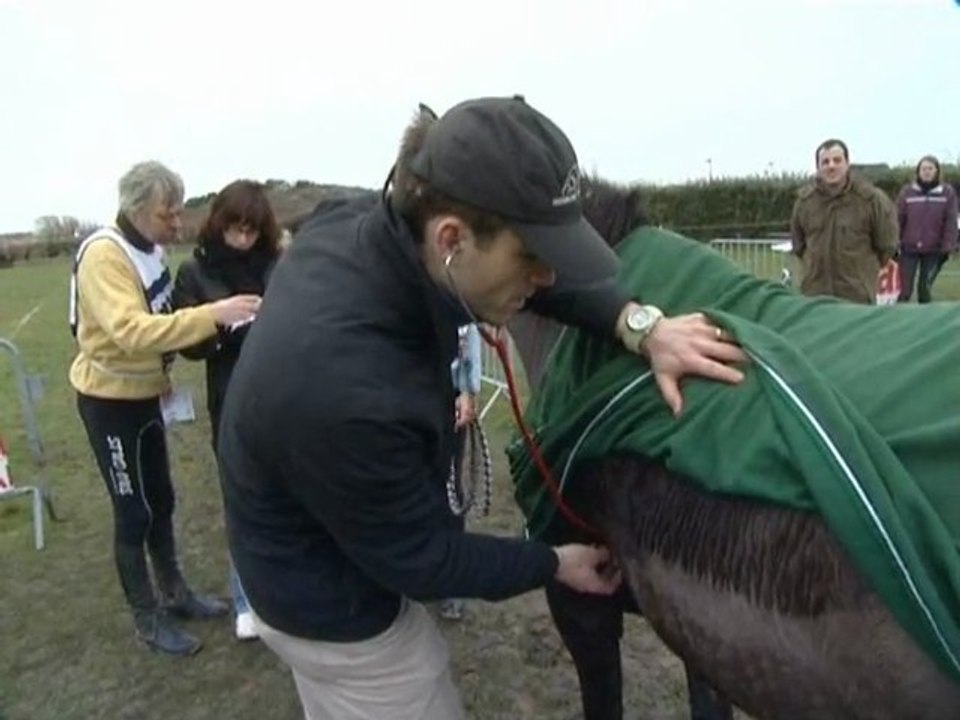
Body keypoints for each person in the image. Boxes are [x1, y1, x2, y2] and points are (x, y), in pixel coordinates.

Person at [217, 96, 746, 719]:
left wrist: (638, 326)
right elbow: (426, 559)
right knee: (415, 680)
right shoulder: (352, 394)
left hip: (309, 541)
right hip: (333, 610)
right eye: (532, 257)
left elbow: (536, 286)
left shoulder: (365, 226)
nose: (547, 278)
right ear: (451, 239)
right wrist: (554, 560)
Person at [68, 161, 262, 656]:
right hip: (110, 403)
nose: (177, 224)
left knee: (163, 500)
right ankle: (147, 618)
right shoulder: (104, 256)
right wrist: (212, 315)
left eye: (178, 213)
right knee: (133, 512)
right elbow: (130, 330)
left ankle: (176, 592)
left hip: (147, 396)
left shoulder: (149, 250)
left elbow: (164, 316)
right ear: (135, 209)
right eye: (166, 214)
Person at [172, 179, 283, 640]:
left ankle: (291, 588)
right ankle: (245, 600)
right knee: (242, 498)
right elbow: (187, 345)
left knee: (293, 493)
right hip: (230, 396)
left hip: (281, 394)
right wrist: (219, 322)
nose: (242, 238)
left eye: (251, 231)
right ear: (218, 224)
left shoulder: (278, 265)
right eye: (234, 228)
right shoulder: (194, 273)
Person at [790, 138, 899, 303]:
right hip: (815, 296)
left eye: (837, 160)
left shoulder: (871, 200)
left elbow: (887, 245)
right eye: (825, 162)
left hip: (858, 297)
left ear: (847, 164)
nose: (831, 166)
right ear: (818, 168)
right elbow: (799, 245)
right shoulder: (805, 202)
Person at [438, 322, 484, 621]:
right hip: (401, 393)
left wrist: (467, 389)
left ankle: (450, 581)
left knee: (450, 490)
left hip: (447, 396)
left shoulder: (448, 281)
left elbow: (466, 329)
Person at [895, 155, 959, 303]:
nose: (927, 172)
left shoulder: (947, 193)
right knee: (904, 290)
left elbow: (951, 221)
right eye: (924, 168)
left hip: (934, 250)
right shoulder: (907, 192)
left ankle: (925, 322)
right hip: (908, 249)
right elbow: (898, 218)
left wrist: (947, 247)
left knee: (925, 289)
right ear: (918, 171)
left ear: (937, 171)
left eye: (930, 168)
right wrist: (895, 243)